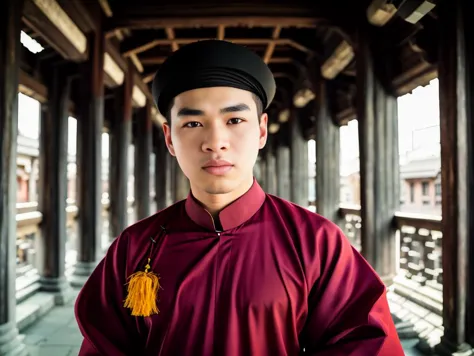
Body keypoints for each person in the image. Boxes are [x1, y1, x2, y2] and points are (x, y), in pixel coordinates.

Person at [75, 39, 404, 355]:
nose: (215, 141)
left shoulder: (314, 242)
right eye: (192, 122)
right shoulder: (135, 247)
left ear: (261, 130)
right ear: (169, 138)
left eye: (234, 120)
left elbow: (365, 342)